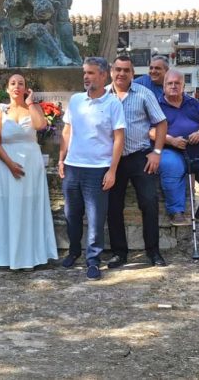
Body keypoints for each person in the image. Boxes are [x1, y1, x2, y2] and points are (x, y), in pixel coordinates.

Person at [59, 57, 126, 280]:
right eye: (85, 73)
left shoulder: (113, 104)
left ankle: (93, 260)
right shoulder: (76, 100)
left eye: (91, 73)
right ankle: (74, 251)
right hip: (73, 167)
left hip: (98, 169)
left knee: (96, 218)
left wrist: (112, 170)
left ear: (103, 75)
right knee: (71, 215)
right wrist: (61, 158)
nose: (86, 77)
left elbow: (119, 139)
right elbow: (67, 131)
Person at [0, 74, 58, 270]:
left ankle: (32, 256)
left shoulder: (32, 107)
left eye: (21, 83)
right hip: (8, 161)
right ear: (7, 88)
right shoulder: (1, 112)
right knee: (12, 205)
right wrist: (9, 163)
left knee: (31, 204)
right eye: (13, 83)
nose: (17, 86)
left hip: (31, 162)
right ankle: (11, 256)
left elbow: (40, 125)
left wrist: (30, 103)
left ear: (26, 88)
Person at [107, 55, 169, 269]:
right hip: (111, 160)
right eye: (118, 69)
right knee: (113, 206)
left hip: (139, 157)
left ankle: (153, 251)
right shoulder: (103, 96)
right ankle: (119, 253)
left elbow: (161, 122)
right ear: (111, 72)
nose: (121, 74)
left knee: (149, 203)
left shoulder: (144, 94)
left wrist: (157, 152)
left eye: (126, 70)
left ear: (133, 73)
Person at [154, 69, 199, 226]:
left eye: (177, 83)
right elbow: (150, 131)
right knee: (171, 166)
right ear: (164, 85)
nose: (174, 86)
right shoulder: (156, 105)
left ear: (183, 85)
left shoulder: (193, 103)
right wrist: (171, 140)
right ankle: (176, 212)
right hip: (171, 150)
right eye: (170, 83)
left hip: (197, 151)